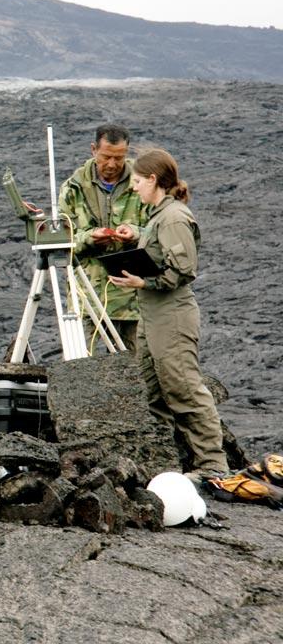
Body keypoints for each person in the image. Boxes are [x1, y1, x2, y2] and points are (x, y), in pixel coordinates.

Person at [109, 148, 229, 482]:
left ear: (152, 179)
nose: (133, 188)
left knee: (183, 387)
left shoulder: (173, 217)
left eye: (136, 181)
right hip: (152, 315)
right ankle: (166, 464)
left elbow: (183, 271)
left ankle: (213, 466)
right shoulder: (158, 215)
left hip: (172, 316)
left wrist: (141, 281)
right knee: (152, 390)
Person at [58, 124, 146, 353]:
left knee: (135, 369)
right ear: (93, 150)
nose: (112, 164)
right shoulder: (72, 188)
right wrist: (89, 238)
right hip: (86, 296)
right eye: (106, 157)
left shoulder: (143, 183)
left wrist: (135, 233)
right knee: (81, 362)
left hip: (133, 298)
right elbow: (61, 242)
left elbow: (160, 231)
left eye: (119, 158)